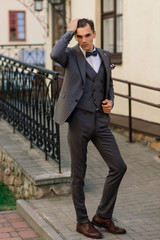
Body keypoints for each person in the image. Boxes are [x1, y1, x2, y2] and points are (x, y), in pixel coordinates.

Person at [50, 18, 127, 239]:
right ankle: (82, 222)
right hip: (78, 121)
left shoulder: (104, 55)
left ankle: (103, 215)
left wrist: (110, 101)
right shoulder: (70, 55)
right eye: (79, 36)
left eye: (87, 35)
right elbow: (55, 54)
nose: (83, 40)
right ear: (76, 36)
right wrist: (69, 31)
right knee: (79, 175)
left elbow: (109, 84)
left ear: (94, 33)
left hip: (100, 122)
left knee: (119, 166)